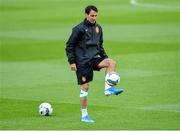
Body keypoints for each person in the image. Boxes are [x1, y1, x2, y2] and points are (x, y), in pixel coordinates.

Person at [65, 5, 123, 123]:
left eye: (96, 15)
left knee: (111, 62)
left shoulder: (98, 28)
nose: (94, 17)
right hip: (82, 62)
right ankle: (84, 116)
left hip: (94, 58)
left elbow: (99, 46)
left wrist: (105, 58)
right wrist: (72, 62)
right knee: (85, 87)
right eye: (92, 15)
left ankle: (108, 88)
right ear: (86, 15)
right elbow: (69, 46)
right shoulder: (78, 29)